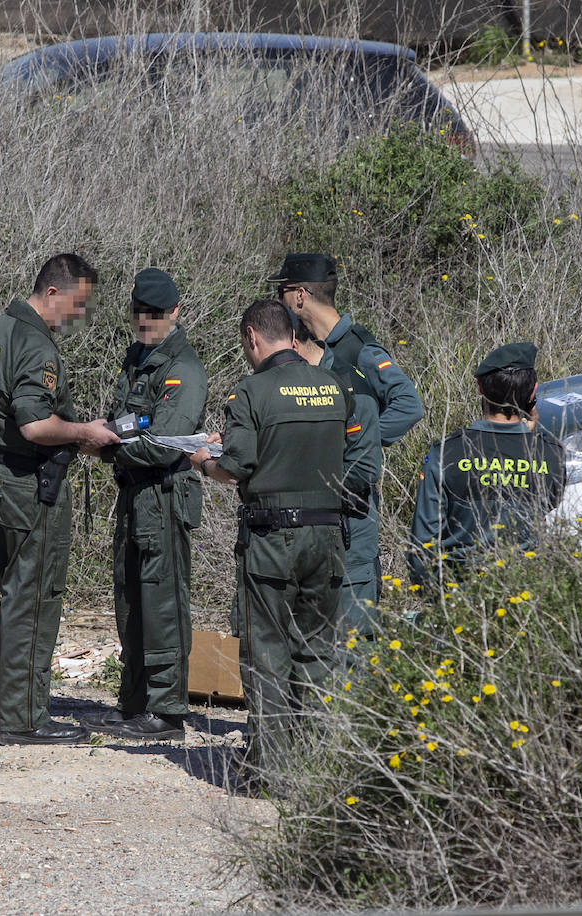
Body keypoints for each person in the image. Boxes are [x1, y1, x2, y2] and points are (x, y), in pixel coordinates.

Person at [189, 299, 364, 768]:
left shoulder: (251, 392)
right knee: (318, 653)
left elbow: (237, 465)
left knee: (267, 655)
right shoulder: (334, 385)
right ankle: (319, 768)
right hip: (328, 538)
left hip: (272, 542)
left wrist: (204, 461)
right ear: (291, 333)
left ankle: (274, 772)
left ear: (251, 337)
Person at [0, 253, 120, 745]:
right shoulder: (37, 346)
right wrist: (85, 433)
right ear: (52, 293)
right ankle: (26, 720)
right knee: (34, 599)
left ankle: (18, 710)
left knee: (16, 595)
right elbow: (36, 424)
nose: (78, 316)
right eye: (76, 305)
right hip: (25, 484)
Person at [80, 268, 208, 742]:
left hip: (163, 493)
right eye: (139, 312)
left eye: (155, 313)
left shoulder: (183, 369)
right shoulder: (137, 358)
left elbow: (165, 442)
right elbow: (128, 420)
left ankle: (168, 710)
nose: (146, 320)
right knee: (130, 598)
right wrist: (112, 436)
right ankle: (135, 702)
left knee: (163, 601)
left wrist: (105, 446)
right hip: (133, 493)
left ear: (174, 312)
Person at [272, 252, 422, 627]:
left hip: (352, 514)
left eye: (282, 291)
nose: (280, 300)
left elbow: (409, 406)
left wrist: (354, 446)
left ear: (301, 295)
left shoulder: (358, 348)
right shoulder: (300, 349)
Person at [407, 342, 566, 586]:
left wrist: (433, 599)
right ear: (533, 392)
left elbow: (423, 540)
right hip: (529, 595)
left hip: (459, 597)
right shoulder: (551, 453)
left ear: (480, 387)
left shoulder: (447, 452)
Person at [290, 315, 382, 635]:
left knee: (351, 653)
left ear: (293, 343)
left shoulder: (350, 385)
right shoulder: (294, 385)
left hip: (349, 546)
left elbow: (364, 470)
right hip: (305, 549)